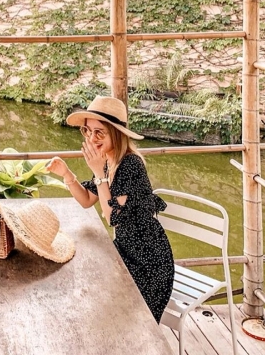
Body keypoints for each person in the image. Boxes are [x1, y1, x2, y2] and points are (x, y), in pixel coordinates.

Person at [47, 95, 174, 323]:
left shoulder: (130, 164)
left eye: (99, 132)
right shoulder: (107, 161)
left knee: (117, 314)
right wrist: (67, 175)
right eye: (87, 131)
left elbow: (113, 217)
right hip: (125, 250)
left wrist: (99, 174)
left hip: (149, 261)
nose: (91, 138)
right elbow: (87, 199)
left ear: (115, 133)